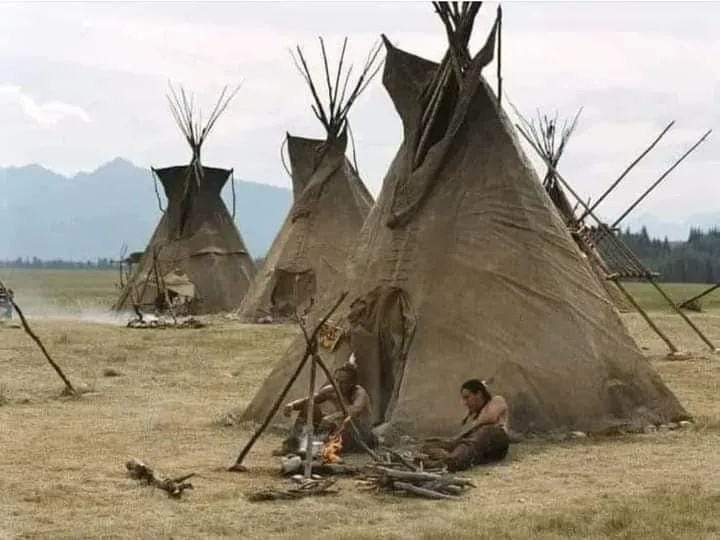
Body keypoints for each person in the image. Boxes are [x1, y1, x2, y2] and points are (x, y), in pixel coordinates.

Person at [278, 358, 376, 455]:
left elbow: (354, 411)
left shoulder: (359, 393)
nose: (338, 384)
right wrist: (292, 405)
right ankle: (293, 445)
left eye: (343, 382)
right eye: (336, 380)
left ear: (352, 383)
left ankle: (321, 448)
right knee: (310, 407)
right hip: (338, 429)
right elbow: (310, 399)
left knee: (343, 422)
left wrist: (333, 417)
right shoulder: (332, 389)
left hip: (359, 434)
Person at [424, 379, 510, 471]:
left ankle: (450, 461)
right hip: (479, 449)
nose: (465, 403)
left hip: (496, 442)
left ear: (479, 394)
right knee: (430, 444)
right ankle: (447, 457)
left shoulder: (497, 400)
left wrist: (471, 425)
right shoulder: (473, 415)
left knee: (485, 431)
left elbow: (491, 417)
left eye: (467, 397)